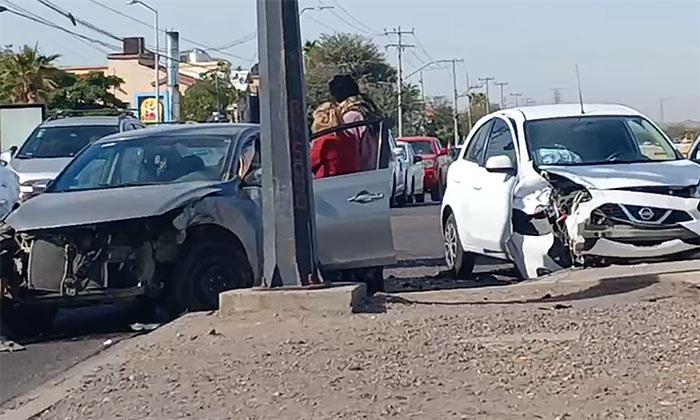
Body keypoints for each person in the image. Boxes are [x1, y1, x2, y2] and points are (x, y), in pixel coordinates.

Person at [328, 75, 382, 171]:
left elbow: (350, 150)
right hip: (376, 171)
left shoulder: (351, 117)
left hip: (360, 175)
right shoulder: (368, 111)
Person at [309, 102, 360, 178]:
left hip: (326, 183)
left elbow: (309, 164)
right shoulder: (351, 138)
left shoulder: (324, 141)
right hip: (352, 180)